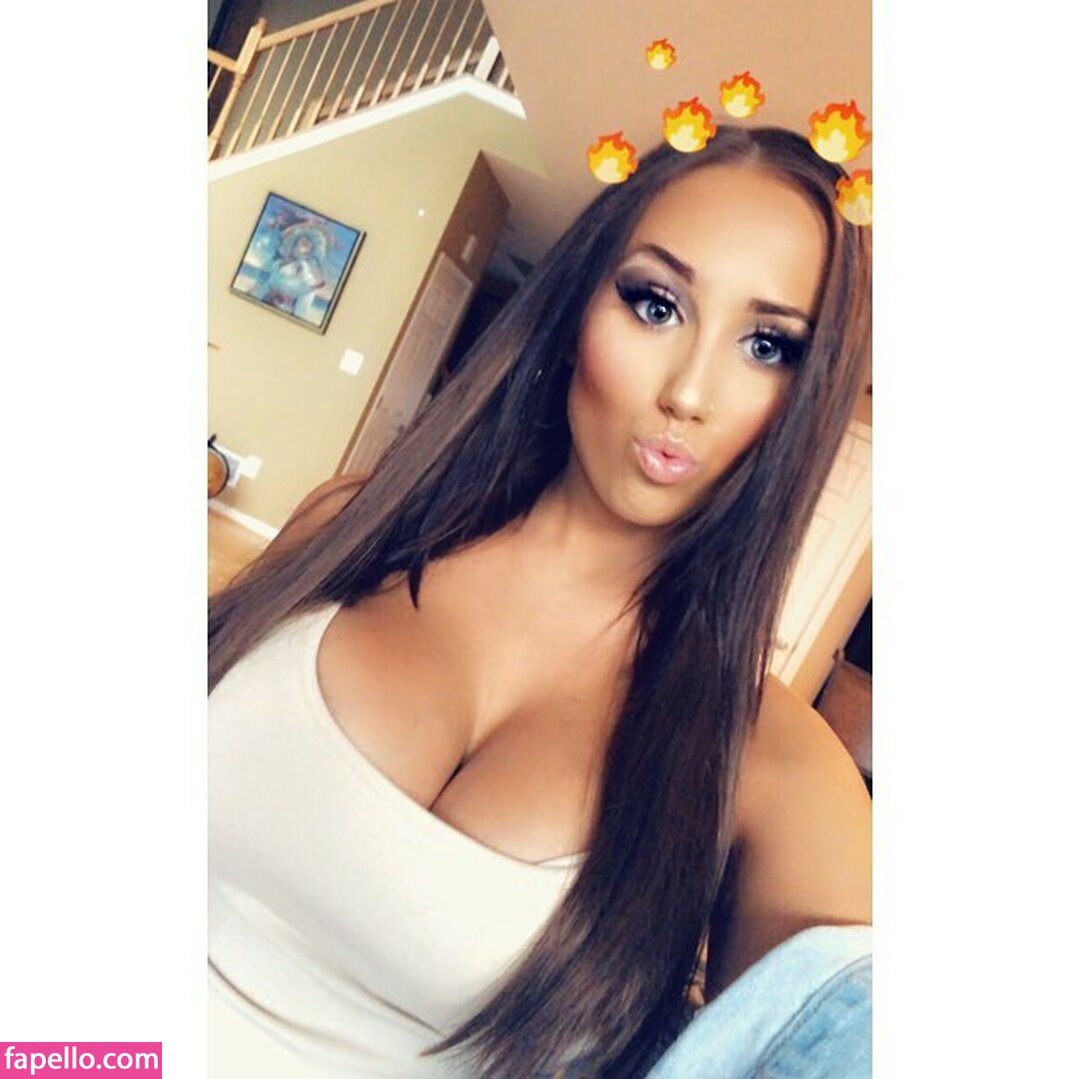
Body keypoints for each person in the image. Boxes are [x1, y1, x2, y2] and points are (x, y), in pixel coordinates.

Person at [208, 124, 872, 1078]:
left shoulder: (777, 770)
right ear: (578, 308)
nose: (688, 391)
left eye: (767, 345)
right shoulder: (351, 526)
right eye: (655, 304)